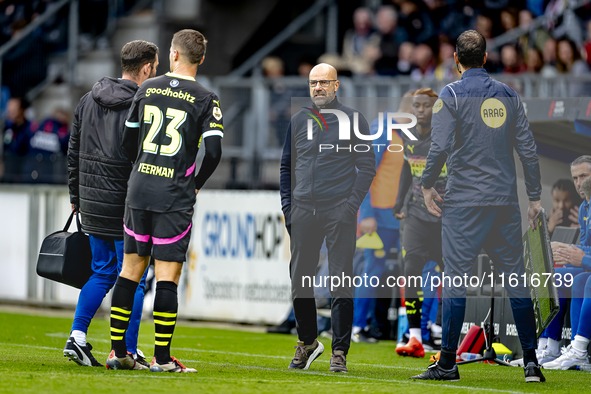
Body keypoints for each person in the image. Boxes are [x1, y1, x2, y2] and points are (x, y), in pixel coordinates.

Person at [414, 30, 545, 383]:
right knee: (517, 280)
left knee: (456, 281)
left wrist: (426, 185)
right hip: (504, 203)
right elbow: (528, 152)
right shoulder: (509, 95)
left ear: (456, 60)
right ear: (486, 58)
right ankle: (531, 362)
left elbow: (438, 148)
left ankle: (447, 364)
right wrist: (534, 198)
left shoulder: (451, 94)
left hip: (463, 204)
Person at [106, 29, 223, 373]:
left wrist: (143, 166)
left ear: (172, 54)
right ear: (200, 59)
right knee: (167, 277)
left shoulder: (146, 88)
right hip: (174, 195)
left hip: (139, 189)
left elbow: (127, 142)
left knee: (130, 270)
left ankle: (119, 353)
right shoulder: (206, 98)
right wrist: (195, 184)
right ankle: (161, 359)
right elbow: (213, 152)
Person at [65, 40, 159, 369]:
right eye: (155, 67)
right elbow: (143, 159)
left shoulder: (87, 100)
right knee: (132, 277)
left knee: (103, 272)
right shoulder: (144, 104)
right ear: (146, 68)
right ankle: (126, 350)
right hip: (126, 205)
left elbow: (73, 152)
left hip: (91, 202)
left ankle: (76, 337)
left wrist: (76, 197)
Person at [280, 63, 375, 372]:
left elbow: (367, 167)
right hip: (303, 211)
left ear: (336, 87)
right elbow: (285, 169)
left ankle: (339, 351)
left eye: (324, 82)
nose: (318, 87)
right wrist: (288, 210)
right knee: (299, 282)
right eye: (313, 83)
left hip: (339, 211)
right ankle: (307, 343)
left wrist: (349, 208)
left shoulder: (353, 120)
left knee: (340, 282)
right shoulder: (298, 120)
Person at [353, 91, 413, 343]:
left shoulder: (410, 134)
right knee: (373, 270)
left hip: (404, 216)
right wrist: (365, 213)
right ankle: (357, 327)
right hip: (379, 215)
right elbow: (364, 170)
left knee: (414, 272)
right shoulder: (383, 130)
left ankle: (412, 330)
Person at [393, 88, 445, 358]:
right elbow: (406, 166)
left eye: (425, 106)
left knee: (451, 275)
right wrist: (399, 199)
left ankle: (448, 339)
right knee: (410, 268)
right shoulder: (407, 134)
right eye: (416, 105)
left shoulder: (447, 136)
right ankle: (415, 337)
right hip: (415, 213)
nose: (419, 110)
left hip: (444, 215)